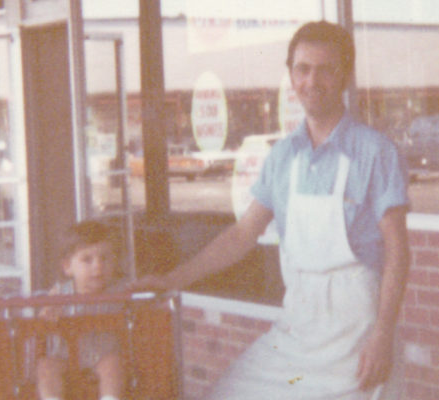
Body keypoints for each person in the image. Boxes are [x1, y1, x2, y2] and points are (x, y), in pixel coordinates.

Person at [133, 20, 410, 400]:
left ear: (345, 76)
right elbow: (242, 234)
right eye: (302, 69)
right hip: (297, 329)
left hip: (356, 334)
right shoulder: (282, 158)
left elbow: (397, 252)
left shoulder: (375, 151)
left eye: (326, 69)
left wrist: (383, 334)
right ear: (291, 75)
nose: (312, 81)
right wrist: (173, 280)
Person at [36, 220, 127, 400]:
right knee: (45, 366)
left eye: (105, 258)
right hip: (65, 356)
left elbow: (142, 300)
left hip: (103, 354)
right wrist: (48, 310)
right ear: (68, 267)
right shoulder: (60, 293)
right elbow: (42, 319)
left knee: (114, 365)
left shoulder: (120, 292)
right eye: (87, 259)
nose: (98, 266)